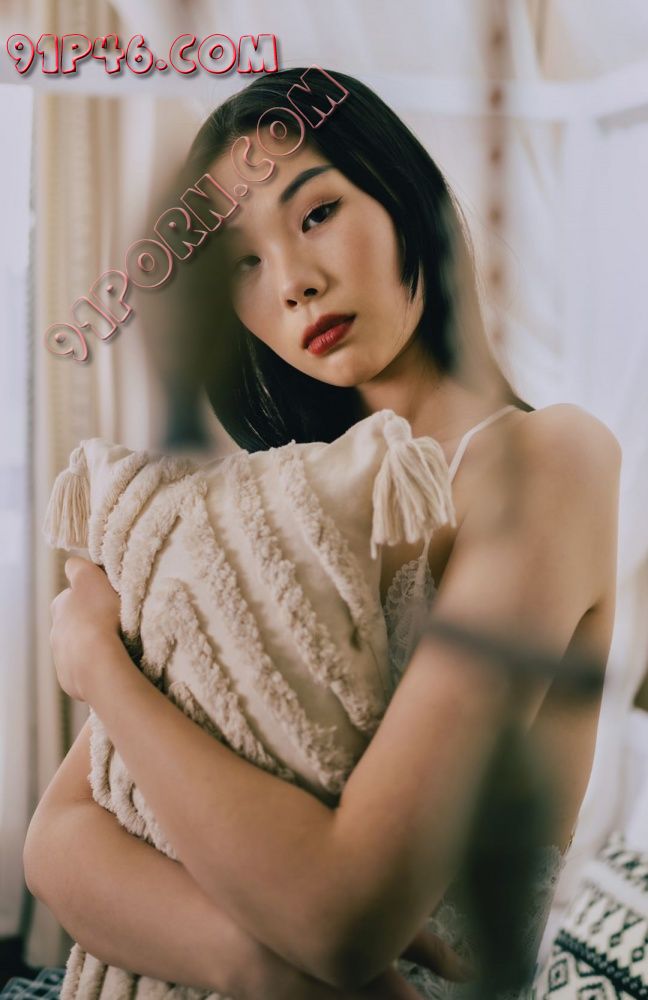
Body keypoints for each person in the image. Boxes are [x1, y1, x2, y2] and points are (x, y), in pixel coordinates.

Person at [19, 68, 621, 1000]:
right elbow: (58, 844)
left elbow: (342, 919)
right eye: (242, 263)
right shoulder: (267, 505)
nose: (295, 282)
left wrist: (94, 660)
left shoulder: (549, 462)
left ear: (405, 196)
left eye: (318, 214)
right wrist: (268, 967)